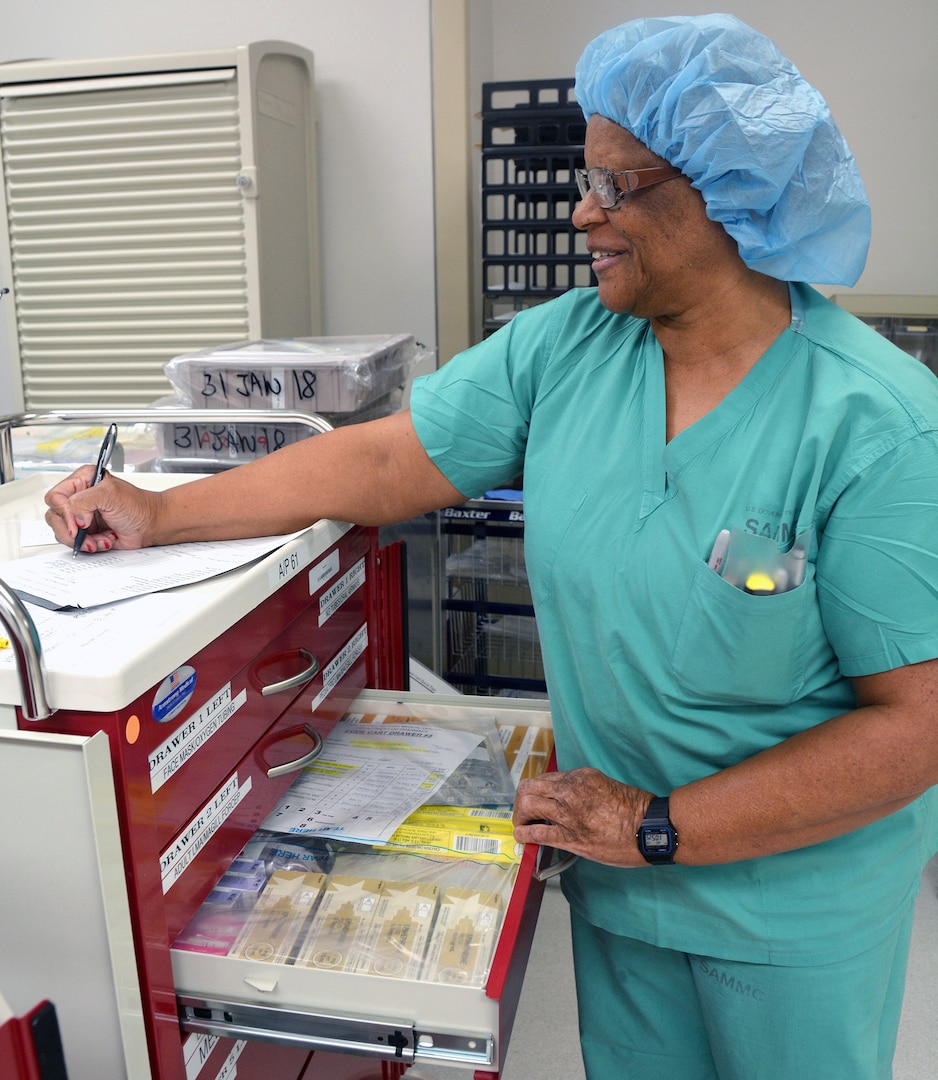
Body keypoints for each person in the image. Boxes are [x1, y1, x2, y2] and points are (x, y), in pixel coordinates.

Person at [44, 14, 938, 1080]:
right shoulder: (571, 346)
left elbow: (913, 726)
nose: (582, 212)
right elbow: (384, 463)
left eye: (617, 186)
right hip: (614, 865)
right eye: (584, 178)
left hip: (786, 908)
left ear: (725, 195)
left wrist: (663, 825)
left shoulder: (873, 426)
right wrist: (160, 510)